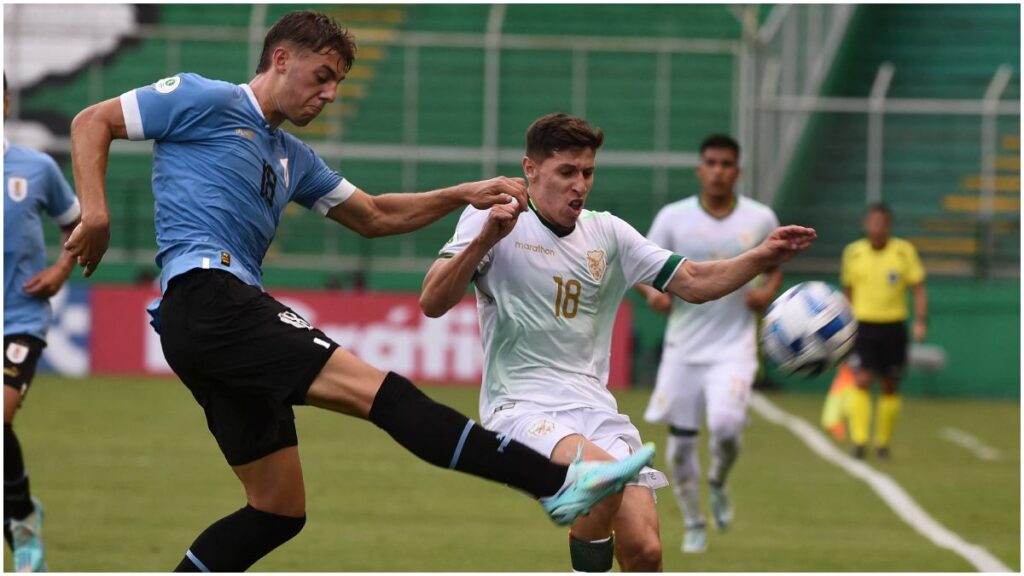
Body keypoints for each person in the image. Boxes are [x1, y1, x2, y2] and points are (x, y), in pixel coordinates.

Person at [64, 12, 655, 572]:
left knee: (277, 510)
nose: (329, 94)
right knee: (386, 395)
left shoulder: (292, 157)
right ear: (281, 58)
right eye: (322, 76)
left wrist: (461, 193)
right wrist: (95, 213)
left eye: (338, 84)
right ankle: (559, 483)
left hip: (205, 324)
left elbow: (373, 215)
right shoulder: (207, 98)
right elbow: (92, 120)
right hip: (210, 296)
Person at [420, 115, 815, 571]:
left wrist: (762, 256)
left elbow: (693, 281)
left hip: (595, 409)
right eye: (567, 172)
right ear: (530, 169)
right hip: (522, 407)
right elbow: (432, 301)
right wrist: (485, 238)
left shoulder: (608, 233)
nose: (580, 185)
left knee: (645, 550)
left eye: (587, 172)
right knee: (602, 480)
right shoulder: (491, 218)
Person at [635, 134, 782, 554]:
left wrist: (767, 291)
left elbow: (775, 263)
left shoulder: (760, 218)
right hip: (683, 348)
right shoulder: (673, 218)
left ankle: (717, 479)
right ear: (700, 170)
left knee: (725, 426)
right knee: (680, 448)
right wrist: (652, 295)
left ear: (738, 171)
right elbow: (639, 265)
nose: (718, 171)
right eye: (712, 163)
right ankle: (694, 522)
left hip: (734, 346)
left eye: (726, 164)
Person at [3, 73, 82, 572]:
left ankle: (23, 525)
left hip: (19, 317)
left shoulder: (35, 168)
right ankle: (20, 513)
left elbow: (76, 224)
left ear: (5, 102)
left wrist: (61, 269)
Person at [840, 203, 927, 460]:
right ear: (866, 224)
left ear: (889, 226)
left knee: (890, 384)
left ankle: (882, 443)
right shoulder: (853, 252)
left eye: (882, 223)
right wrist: (844, 325)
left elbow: (918, 288)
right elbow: (848, 291)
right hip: (863, 326)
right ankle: (859, 440)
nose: (877, 227)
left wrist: (921, 320)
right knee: (862, 380)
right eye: (873, 222)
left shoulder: (904, 251)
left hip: (893, 326)